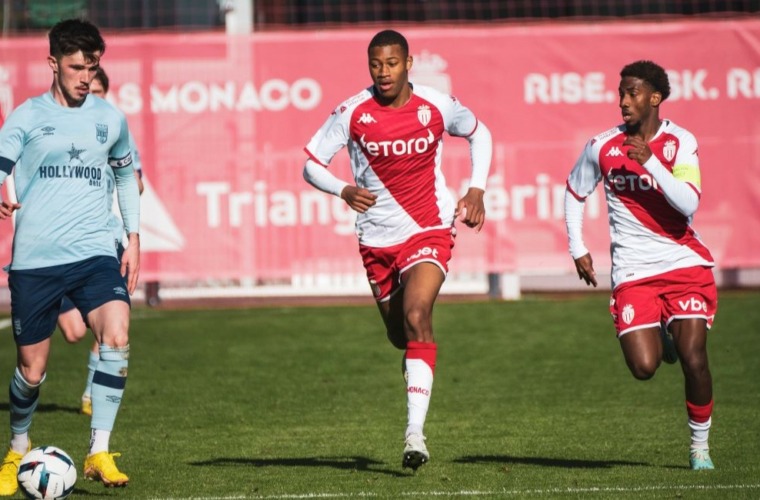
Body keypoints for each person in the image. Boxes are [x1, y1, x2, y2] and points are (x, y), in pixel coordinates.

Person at [303, 29, 492, 471]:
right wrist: (343, 189)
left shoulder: (437, 105)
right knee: (399, 337)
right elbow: (311, 164)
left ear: (408, 63)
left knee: (416, 316)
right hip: (376, 240)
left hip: (428, 228)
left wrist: (477, 188)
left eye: (391, 63)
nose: (383, 71)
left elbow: (481, 134)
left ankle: (415, 435)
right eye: (375, 64)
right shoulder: (352, 112)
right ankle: (415, 377)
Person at [0, 19, 140, 493]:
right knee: (31, 371)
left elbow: (125, 176)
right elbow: (1, 163)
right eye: (76, 66)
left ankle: (99, 450)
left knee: (116, 333)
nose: (85, 76)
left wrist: (133, 237)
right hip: (35, 260)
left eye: (92, 67)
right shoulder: (26, 116)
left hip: (96, 251)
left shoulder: (110, 118)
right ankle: (17, 447)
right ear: (53, 64)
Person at [564, 60, 717, 470]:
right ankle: (662, 337)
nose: (623, 101)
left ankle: (699, 447)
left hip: (684, 264)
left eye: (632, 93)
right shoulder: (601, 146)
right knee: (643, 367)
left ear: (655, 98)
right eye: (620, 93)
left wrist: (650, 161)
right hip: (634, 274)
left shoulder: (679, 142)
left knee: (694, 356)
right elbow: (574, 191)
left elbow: (688, 202)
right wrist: (577, 245)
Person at [56, 66, 144, 417]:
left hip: (106, 240)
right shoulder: (62, 130)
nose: (92, 97)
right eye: (86, 91)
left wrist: (122, 176)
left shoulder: (116, 131)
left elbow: (136, 182)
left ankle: (92, 394)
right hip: (60, 244)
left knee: (111, 324)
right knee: (73, 331)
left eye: (98, 92)